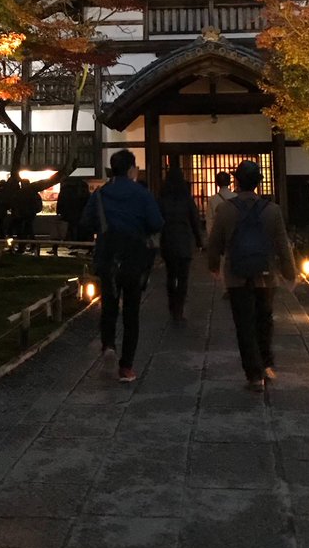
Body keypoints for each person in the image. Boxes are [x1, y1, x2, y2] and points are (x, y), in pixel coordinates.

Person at [206, 159, 295, 392]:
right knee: (264, 320)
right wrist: (289, 272)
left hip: (237, 275)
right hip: (266, 275)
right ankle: (266, 363)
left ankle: (254, 374)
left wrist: (213, 265)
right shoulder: (272, 210)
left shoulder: (225, 210)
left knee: (244, 324)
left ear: (236, 181)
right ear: (258, 183)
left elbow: (214, 242)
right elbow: (282, 245)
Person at [81, 148, 163, 383]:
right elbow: (156, 222)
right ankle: (126, 367)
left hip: (108, 256)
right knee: (131, 311)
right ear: (131, 169)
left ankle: (108, 345)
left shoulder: (99, 195)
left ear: (111, 169)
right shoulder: (142, 194)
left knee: (108, 303)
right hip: (134, 257)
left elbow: (86, 222)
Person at [157, 165, 203, 322]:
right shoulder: (186, 199)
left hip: (168, 239)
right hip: (184, 240)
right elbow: (195, 220)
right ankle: (179, 309)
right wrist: (199, 240)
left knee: (171, 275)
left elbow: (156, 220)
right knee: (183, 277)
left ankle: (172, 306)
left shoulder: (162, 199)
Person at [56, 176, 90, 242]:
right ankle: (81, 242)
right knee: (80, 228)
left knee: (70, 228)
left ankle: (72, 241)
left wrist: (59, 212)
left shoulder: (65, 189)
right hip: (81, 212)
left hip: (68, 213)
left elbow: (60, 201)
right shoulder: (83, 187)